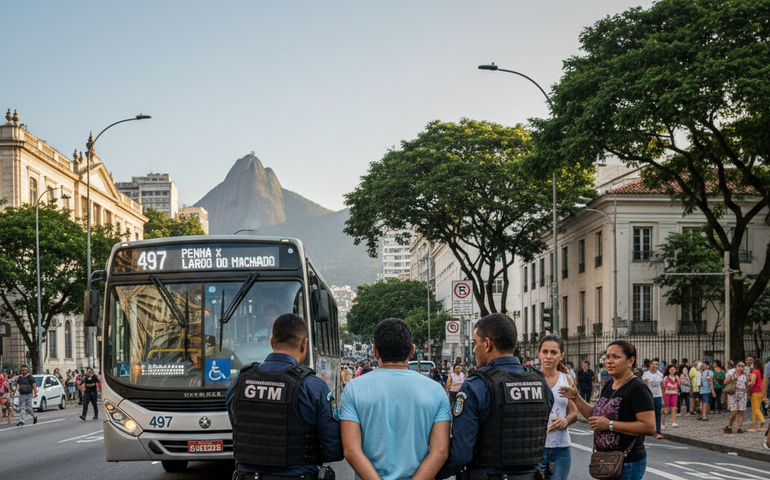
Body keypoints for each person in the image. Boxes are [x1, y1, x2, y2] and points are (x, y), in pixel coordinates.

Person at [437, 313, 553, 480]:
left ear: (487, 344)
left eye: (476, 343)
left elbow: (461, 453)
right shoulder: (541, 383)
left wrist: (433, 474)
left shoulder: (476, 386)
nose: (475, 349)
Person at [226, 313, 343, 479]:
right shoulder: (313, 386)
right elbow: (333, 448)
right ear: (304, 344)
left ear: (271, 342)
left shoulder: (239, 381)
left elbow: (238, 424)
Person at [341, 318, 450, 480]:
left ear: (375, 351)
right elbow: (440, 451)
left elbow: (351, 450)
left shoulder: (354, 389)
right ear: (411, 351)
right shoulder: (436, 391)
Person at [559, 340, 655, 480]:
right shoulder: (610, 384)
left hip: (627, 462)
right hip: (606, 460)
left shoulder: (637, 388)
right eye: (608, 357)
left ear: (631, 361)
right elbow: (596, 415)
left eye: (615, 357)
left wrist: (609, 424)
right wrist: (576, 397)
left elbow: (649, 427)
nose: (609, 361)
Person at [538, 335, 578, 480]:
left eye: (554, 353)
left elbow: (574, 412)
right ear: (539, 354)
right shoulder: (531, 378)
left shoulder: (566, 379)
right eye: (545, 352)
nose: (548, 356)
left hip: (561, 449)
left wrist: (565, 421)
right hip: (536, 447)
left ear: (561, 356)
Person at [643, 359, 664, 439]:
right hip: (649, 395)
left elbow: (661, 385)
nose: (655, 366)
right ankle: (648, 429)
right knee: (649, 413)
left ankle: (657, 431)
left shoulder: (660, 374)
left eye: (656, 364)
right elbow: (645, 385)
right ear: (650, 365)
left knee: (658, 413)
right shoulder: (646, 374)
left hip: (658, 395)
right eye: (653, 364)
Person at [725, 362, 748, 434]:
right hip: (733, 393)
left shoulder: (745, 374)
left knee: (741, 411)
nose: (740, 367)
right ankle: (729, 426)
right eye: (739, 365)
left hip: (742, 393)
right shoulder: (731, 372)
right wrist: (731, 379)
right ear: (736, 366)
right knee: (734, 411)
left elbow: (746, 384)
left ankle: (739, 427)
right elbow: (725, 382)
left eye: (742, 366)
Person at [747, 359, 765, 432]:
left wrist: (747, 383)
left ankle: (762, 420)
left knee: (755, 409)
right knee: (756, 408)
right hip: (760, 391)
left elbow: (752, 382)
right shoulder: (761, 372)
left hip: (755, 392)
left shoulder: (755, 371)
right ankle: (754, 425)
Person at [662, 364, 680, 429]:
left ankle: (673, 421)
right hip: (667, 393)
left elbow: (678, 384)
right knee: (666, 408)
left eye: (674, 369)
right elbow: (666, 385)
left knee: (674, 408)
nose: (673, 371)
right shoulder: (666, 377)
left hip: (674, 393)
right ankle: (663, 423)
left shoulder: (676, 377)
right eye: (671, 369)